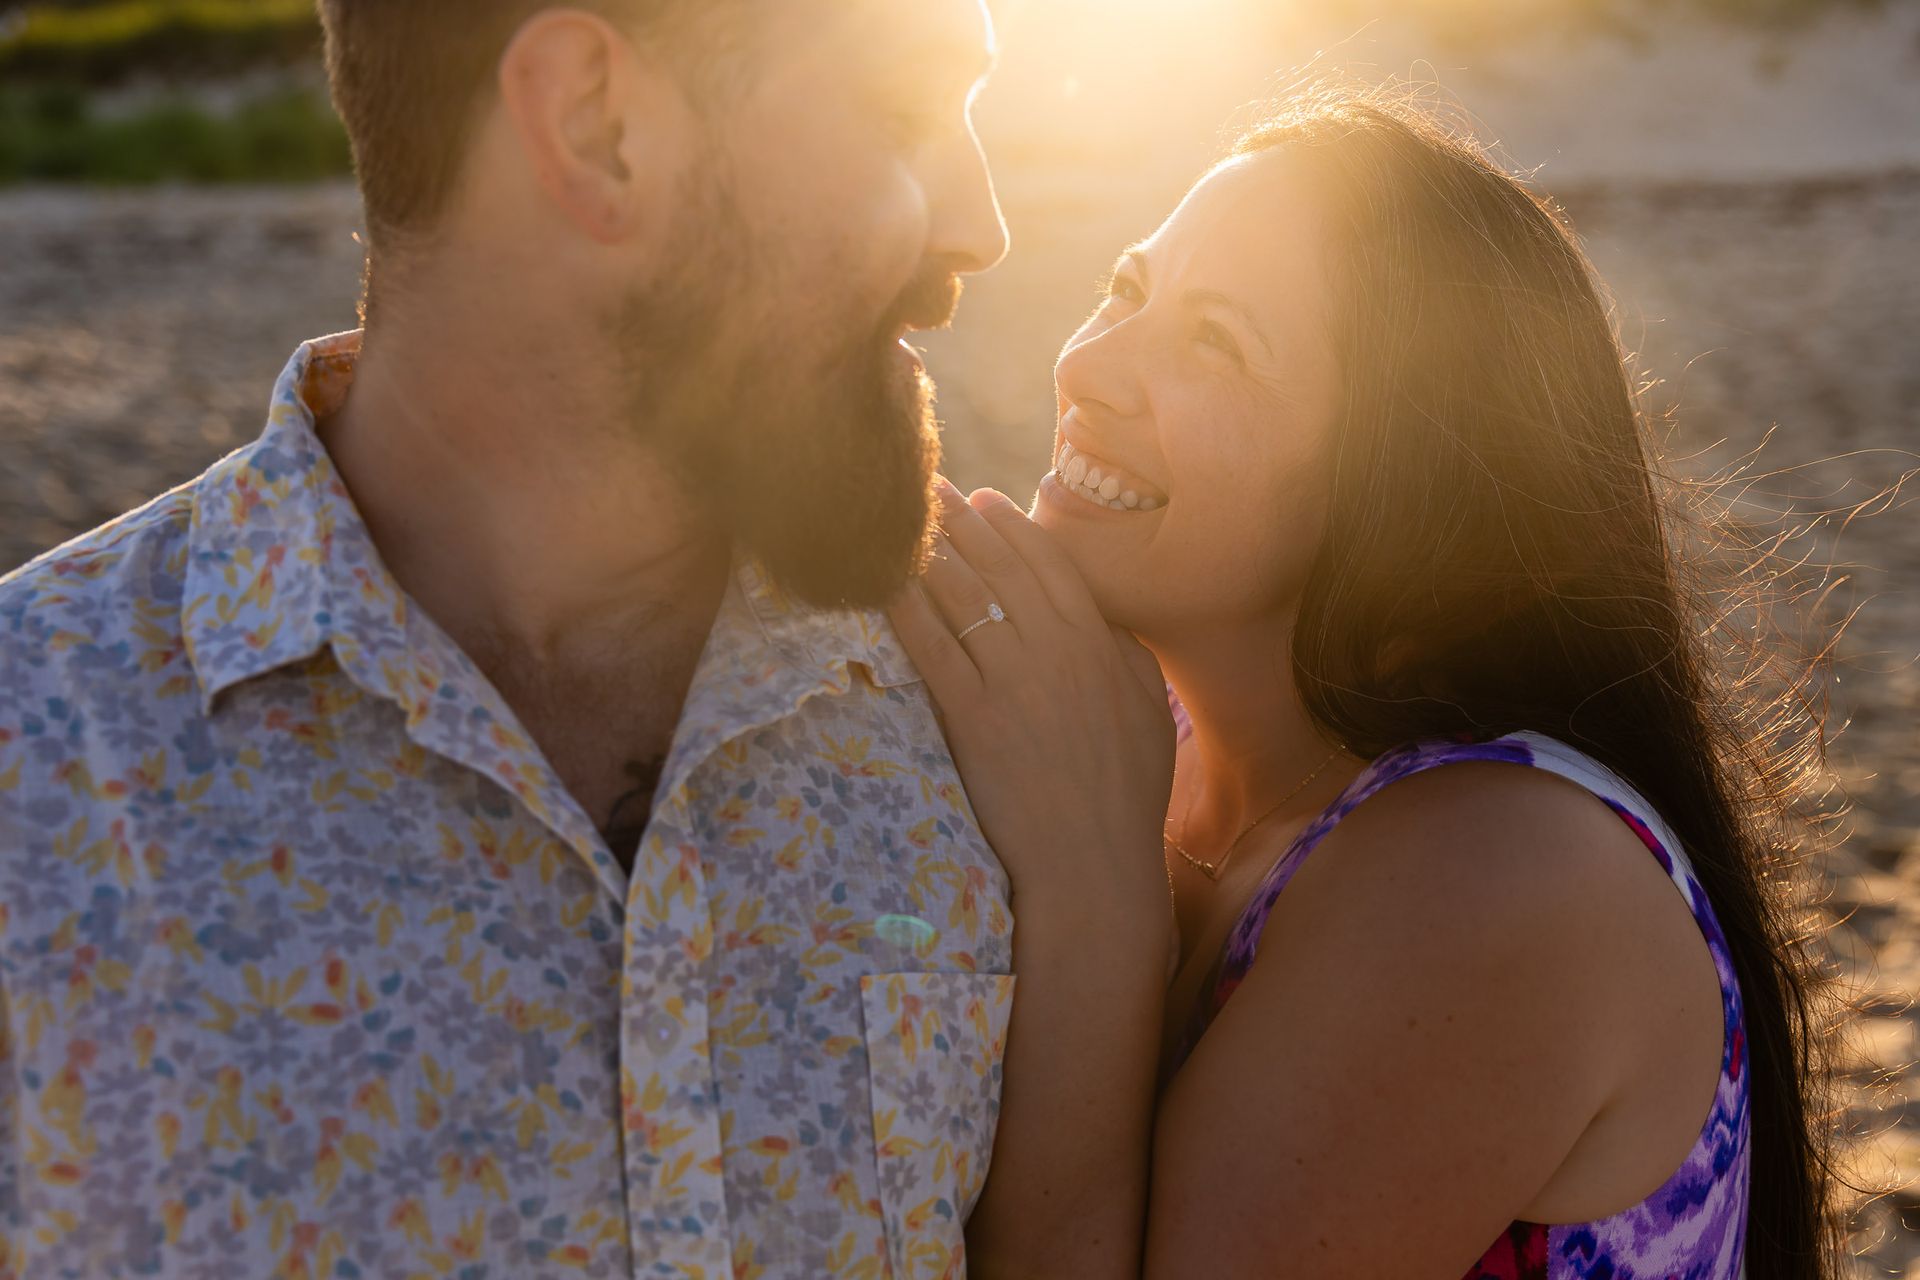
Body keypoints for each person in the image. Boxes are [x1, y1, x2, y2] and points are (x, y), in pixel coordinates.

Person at [0, 1, 1017, 1275]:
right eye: (906, 115)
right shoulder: (31, 775)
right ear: (597, 130)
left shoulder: (999, 732)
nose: (984, 227)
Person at [893, 86, 1845, 1278]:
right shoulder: (1151, 747)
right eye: (1126, 289)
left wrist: (1093, 903)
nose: (1091, 364)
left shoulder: (1507, 875)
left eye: (1215, 342)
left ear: (1400, 486)